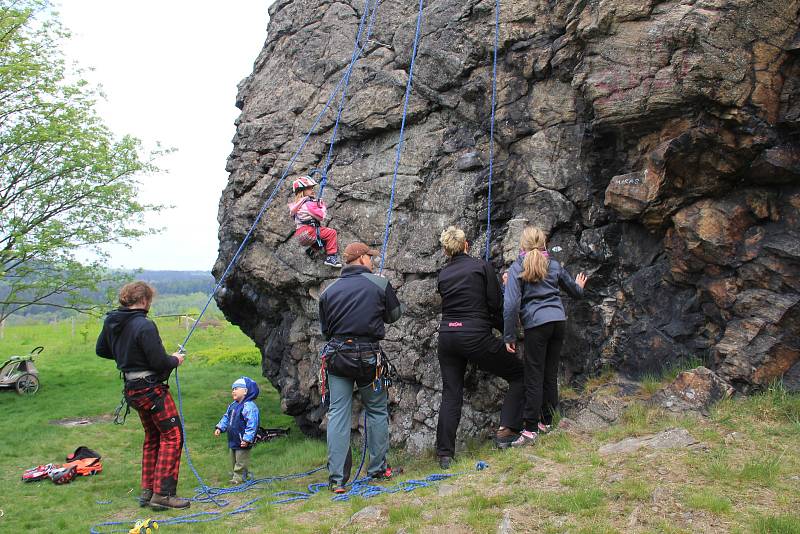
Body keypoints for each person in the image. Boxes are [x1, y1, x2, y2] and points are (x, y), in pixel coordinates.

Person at [318, 242, 404, 493]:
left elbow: (326, 331)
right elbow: (395, 315)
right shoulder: (379, 284)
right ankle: (377, 469)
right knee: (376, 410)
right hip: (368, 357)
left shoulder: (328, 291)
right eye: (370, 257)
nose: (373, 261)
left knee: (338, 413)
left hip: (337, 356)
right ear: (361, 259)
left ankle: (337, 479)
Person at [435, 226, 525, 467]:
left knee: (451, 394)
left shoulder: (443, 275)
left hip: (447, 336)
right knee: (519, 374)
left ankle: (445, 454)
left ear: (446, 251)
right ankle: (506, 430)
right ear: (466, 245)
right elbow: (495, 305)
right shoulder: (481, 267)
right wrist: (508, 335)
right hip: (474, 334)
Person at [95, 281, 190, 509]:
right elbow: (159, 362)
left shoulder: (112, 321)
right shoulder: (145, 326)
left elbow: (102, 350)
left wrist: (127, 357)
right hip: (150, 389)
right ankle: (163, 495)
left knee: (153, 437)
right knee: (173, 436)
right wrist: (175, 359)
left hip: (132, 390)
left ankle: (148, 492)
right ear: (145, 300)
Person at [503, 227, 587, 447]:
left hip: (536, 324)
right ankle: (547, 421)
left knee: (533, 375)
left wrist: (509, 335)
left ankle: (529, 429)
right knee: (550, 374)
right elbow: (575, 292)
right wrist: (579, 286)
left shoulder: (517, 268)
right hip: (558, 322)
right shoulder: (554, 265)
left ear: (522, 245)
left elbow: (511, 304)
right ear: (544, 244)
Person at [214, 377, 261, 484]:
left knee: (241, 459)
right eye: (232, 389)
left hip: (243, 440)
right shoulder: (233, 405)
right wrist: (220, 428)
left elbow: (252, 424)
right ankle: (239, 473)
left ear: (245, 391)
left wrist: (247, 438)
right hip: (233, 438)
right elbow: (226, 417)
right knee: (233, 458)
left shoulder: (249, 407)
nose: (233, 391)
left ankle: (239, 477)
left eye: (236, 388)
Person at [288, 175, 341, 267]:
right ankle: (331, 258)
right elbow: (321, 216)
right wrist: (322, 206)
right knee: (331, 233)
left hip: (301, 233)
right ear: (302, 191)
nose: (312, 190)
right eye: (309, 188)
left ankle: (312, 250)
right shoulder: (308, 204)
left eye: (312, 188)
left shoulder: (298, 204)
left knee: (323, 238)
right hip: (309, 231)